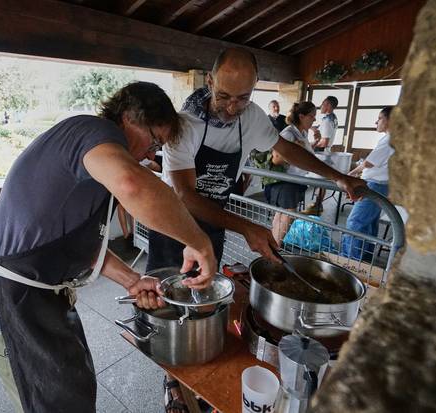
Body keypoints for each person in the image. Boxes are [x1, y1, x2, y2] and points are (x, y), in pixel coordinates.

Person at [0, 81, 217, 413]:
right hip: (9, 309)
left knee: (76, 395)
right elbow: (133, 184)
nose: (151, 154)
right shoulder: (92, 131)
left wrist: (132, 280)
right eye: (153, 141)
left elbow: (79, 247)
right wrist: (199, 242)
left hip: (43, 302)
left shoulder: (90, 169)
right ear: (129, 118)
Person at [144, 48, 365, 413]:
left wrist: (338, 177)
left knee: (207, 300)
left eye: (243, 97)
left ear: (254, 89)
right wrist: (246, 226)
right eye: (224, 96)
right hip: (175, 227)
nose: (233, 107)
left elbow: (287, 149)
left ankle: (200, 368)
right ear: (210, 82)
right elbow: (184, 196)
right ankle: (172, 381)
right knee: (172, 303)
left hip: (213, 224)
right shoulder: (184, 125)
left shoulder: (253, 118)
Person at [341, 106, 395, 260]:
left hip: (375, 185)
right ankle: (365, 260)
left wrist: (350, 175)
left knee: (356, 222)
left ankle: (350, 261)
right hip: (381, 185)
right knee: (369, 224)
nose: (376, 122)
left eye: (379, 118)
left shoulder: (390, 140)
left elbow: (368, 163)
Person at [266, 102, 317, 246]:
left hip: (297, 180)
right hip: (286, 181)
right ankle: (275, 246)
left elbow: (304, 152)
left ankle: (273, 244)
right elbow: (276, 159)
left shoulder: (303, 133)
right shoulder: (288, 133)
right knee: (289, 213)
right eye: (312, 116)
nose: (314, 120)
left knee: (282, 213)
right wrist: (295, 149)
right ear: (301, 116)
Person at [304, 96, 339, 215]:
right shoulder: (331, 118)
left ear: (328, 105)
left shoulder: (328, 120)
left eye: (323, 104)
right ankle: (318, 204)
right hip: (326, 152)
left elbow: (325, 141)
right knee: (321, 180)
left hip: (322, 152)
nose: (320, 106)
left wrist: (311, 146)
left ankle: (318, 204)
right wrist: (314, 128)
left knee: (321, 180)